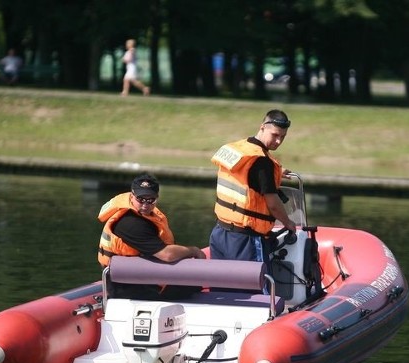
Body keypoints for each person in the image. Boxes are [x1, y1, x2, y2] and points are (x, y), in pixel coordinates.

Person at [209, 109, 296, 272]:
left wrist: (277, 172)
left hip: (220, 232)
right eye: (275, 135)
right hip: (245, 240)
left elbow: (246, 175)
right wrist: (288, 222)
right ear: (262, 127)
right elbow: (273, 204)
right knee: (254, 291)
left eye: (282, 137)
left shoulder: (238, 149)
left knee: (220, 289)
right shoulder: (262, 163)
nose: (278, 141)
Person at [98, 173, 205, 299]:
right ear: (132, 197)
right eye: (141, 199)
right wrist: (193, 250)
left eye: (150, 200)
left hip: (140, 276)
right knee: (193, 283)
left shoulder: (146, 216)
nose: (145, 205)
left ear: (157, 198)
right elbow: (167, 254)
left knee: (192, 283)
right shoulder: (130, 223)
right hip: (127, 286)